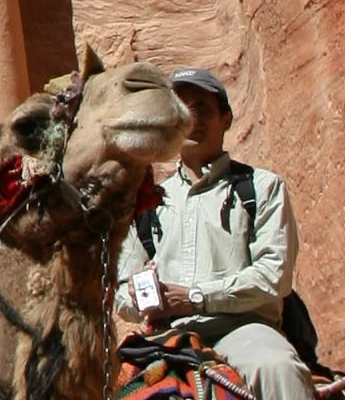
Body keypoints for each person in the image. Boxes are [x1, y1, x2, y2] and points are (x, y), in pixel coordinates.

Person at [115, 68, 317, 400]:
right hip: (167, 335)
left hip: (243, 329)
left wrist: (195, 296)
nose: (192, 118)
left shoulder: (261, 188)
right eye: (182, 109)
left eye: (202, 107)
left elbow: (274, 277)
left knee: (279, 368)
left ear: (226, 118)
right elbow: (123, 291)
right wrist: (138, 298)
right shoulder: (148, 203)